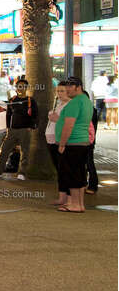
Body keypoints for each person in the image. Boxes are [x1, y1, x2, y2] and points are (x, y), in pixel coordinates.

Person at [54, 77, 94, 213]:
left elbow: (68, 124)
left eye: (70, 87)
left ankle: (75, 204)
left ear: (78, 87)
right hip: (82, 142)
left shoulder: (75, 103)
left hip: (73, 143)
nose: (67, 90)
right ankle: (79, 204)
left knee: (72, 174)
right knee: (80, 173)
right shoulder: (86, 101)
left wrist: (62, 144)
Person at [0, 78, 37, 180]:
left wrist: (32, 127)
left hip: (25, 130)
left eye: (23, 86)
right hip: (12, 130)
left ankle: (22, 173)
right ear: (16, 88)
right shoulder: (12, 100)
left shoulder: (30, 101)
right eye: (19, 86)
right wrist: (8, 128)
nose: (21, 88)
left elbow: (35, 115)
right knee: (4, 150)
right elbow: (8, 115)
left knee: (25, 152)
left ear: (26, 88)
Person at [46, 83, 71, 206]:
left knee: (64, 169)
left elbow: (69, 122)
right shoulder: (58, 104)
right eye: (58, 91)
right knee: (59, 169)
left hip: (60, 140)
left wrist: (57, 119)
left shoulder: (70, 105)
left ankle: (67, 197)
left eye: (62, 91)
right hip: (51, 139)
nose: (59, 94)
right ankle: (62, 196)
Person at [82, 90, 99, 195]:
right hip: (82, 141)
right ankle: (84, 183)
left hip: (88, 141)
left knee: (89, 163)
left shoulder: (90, 110)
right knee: (83, 163)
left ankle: (93, 185)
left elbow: (91, 129)